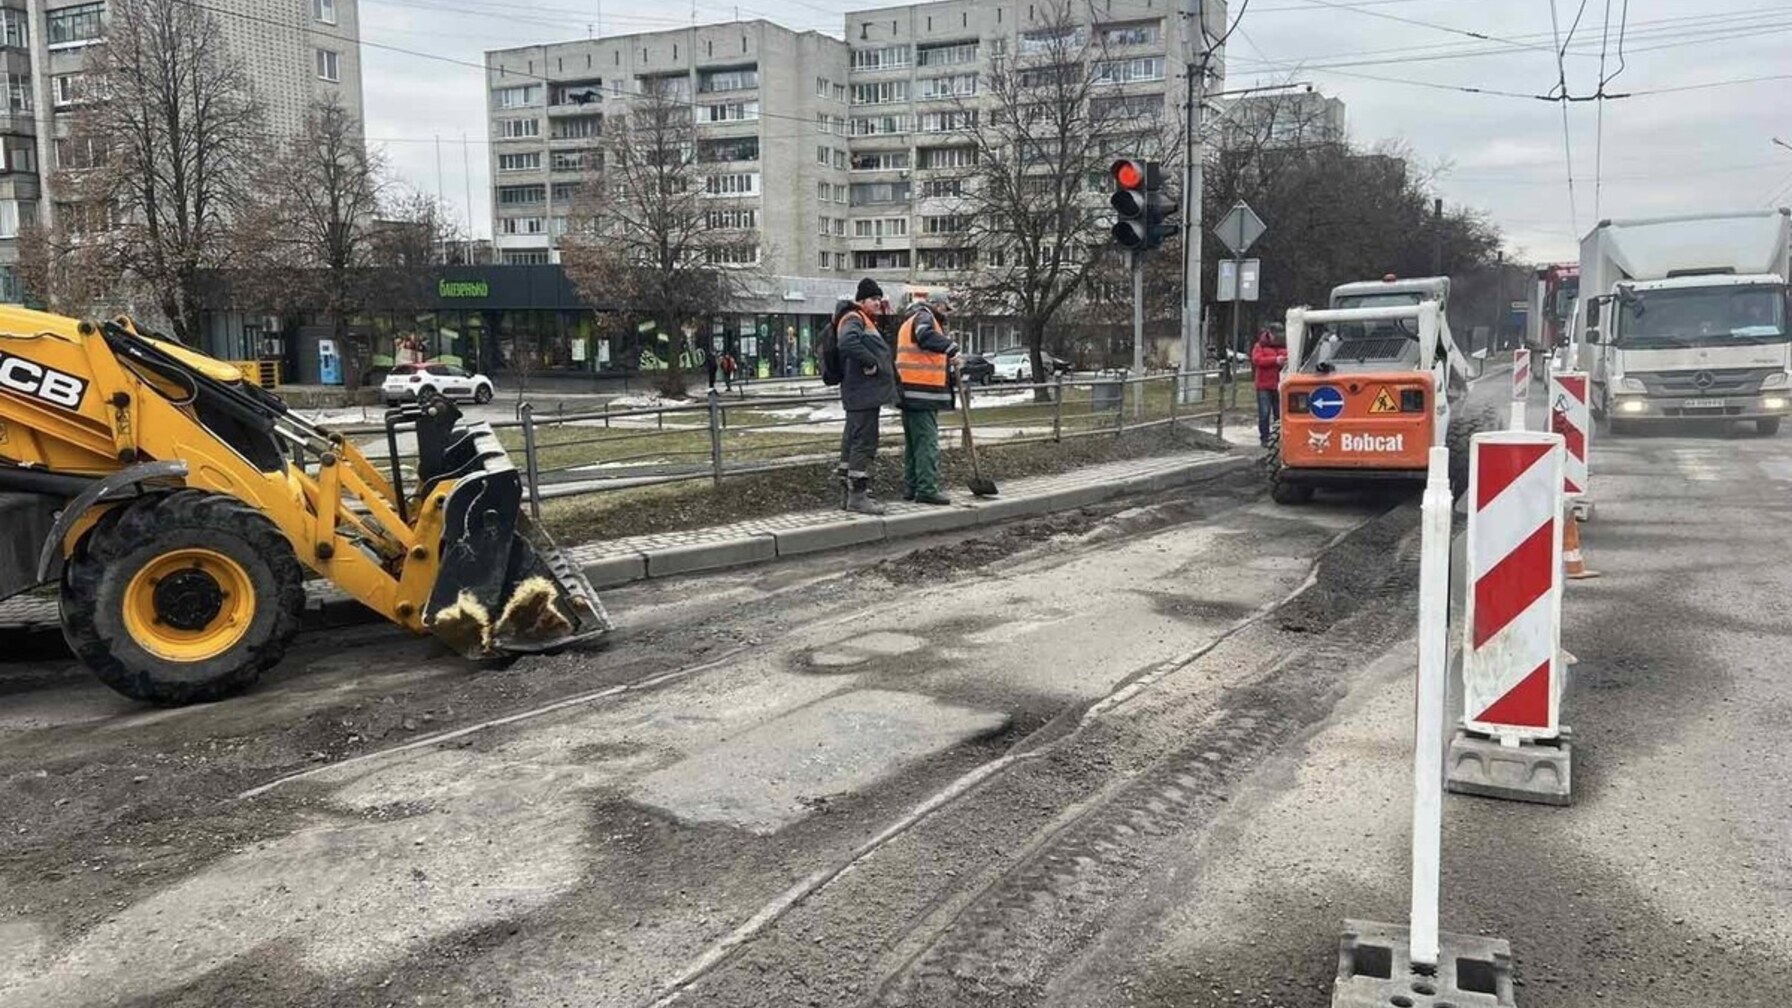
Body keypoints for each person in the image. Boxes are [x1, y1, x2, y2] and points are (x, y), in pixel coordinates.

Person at [835, 278, 899, 514]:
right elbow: (847, 343)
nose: (877, 303)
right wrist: (871, 362)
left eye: (878, 299)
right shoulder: (855, 318)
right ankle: (857, 496)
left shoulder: (862, 319)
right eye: (873, 299)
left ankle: (847, 492)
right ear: (861, 299)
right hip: (862, 392)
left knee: (852, 441)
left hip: (860, 392)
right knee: (864, 441)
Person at [895, 290, 959, 505]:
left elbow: (923, 354)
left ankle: (911, 487)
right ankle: (927, 489)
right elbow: (925, 337)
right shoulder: (925, 317)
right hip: (922, 392)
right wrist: (951, 348)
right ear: (938, 305)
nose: (946, 314)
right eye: (945, 309)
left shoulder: (909, 320)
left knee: (914, 444)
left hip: (909, 391)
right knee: (927, 443)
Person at [1251, 325, 1288, 447]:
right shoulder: (1260, 345)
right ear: (1269, 333)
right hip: (1264, 385)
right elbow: (1257, 360)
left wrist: (1285, 361)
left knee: (1279, 413)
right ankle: (1265, 438)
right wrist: (1275, 360)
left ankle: (1279, 437)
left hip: (1279, 385)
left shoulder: (1284, 344)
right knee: (1264, 412)